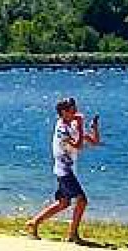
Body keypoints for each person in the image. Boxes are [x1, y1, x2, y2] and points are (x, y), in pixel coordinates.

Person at [27, 97, 101, 242]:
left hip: (69, 170)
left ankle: (33, 223)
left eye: (75, 109)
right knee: (82, 200)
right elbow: (78, 146)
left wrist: (94, 128)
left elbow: (94, 142)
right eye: (72, 110)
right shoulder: (62, 129)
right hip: (64, 170)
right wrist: (80, 125)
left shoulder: (72, 124)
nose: (76, 112)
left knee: (64, 202)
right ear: (63, 112)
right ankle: (72, 234)